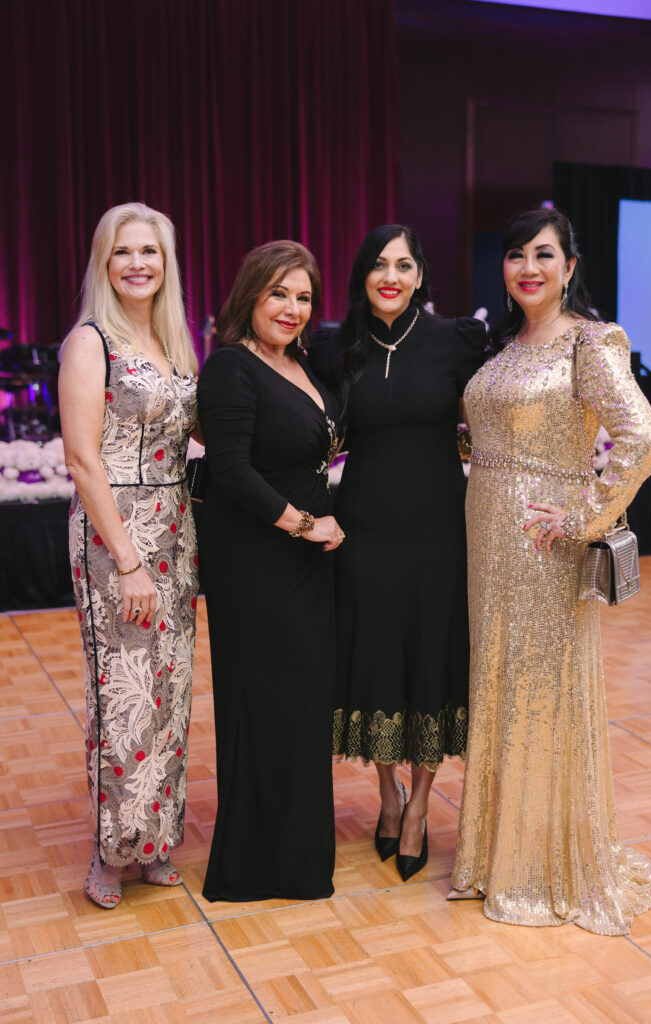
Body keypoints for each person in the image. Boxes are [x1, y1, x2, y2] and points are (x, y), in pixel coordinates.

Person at [449, 207, 651, 934]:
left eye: (543, 255)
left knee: (539, 694)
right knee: (498, 684)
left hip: (543, 546)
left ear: (570, 266)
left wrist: (586, 518)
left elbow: (639, 437)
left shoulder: (588, 342)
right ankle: (492, 856)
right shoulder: (506, 344)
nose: (527, 268)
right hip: (486, 537)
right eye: (515, 255)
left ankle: (537, 865)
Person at [309, 225, 487, 881]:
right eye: (380, 264)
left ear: (419, 277)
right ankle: (387, 795)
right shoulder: (335, 346)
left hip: (439, 530)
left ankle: (420, 809)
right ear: (361, 273)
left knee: (430, 658)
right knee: (376, 656)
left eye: (404, 265)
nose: (391, 276)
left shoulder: (454, 341)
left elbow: (498, 412)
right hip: (363, 532)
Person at [59, 202, 199, 909]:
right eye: (123, 252)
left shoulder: (174, 342)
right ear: (104, 263)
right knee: (123, 695)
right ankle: (110, 852)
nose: (137, 263)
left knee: (170, 692)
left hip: (177, 528)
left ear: (166, 263)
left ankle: (155, 842)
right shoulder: (91, 341)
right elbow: (83, 461)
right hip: (118, 534)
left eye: (149, 251)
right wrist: (129, 560)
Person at [199, 240, 342, 903]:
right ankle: (257, 866)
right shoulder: (231, 366)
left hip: (305, 564)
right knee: (269, 703)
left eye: (303, 296)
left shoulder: (302, 363)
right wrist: (305, 523)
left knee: (303, 704)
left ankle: (301, 856)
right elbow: (229, 470)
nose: (291, 307)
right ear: (250, 293)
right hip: (257, 561)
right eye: (278, 293)